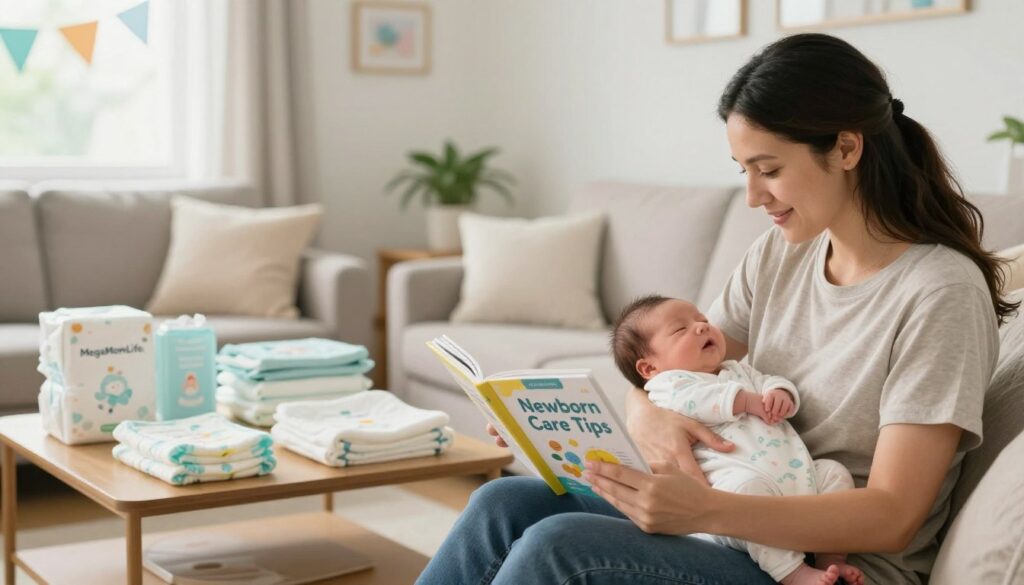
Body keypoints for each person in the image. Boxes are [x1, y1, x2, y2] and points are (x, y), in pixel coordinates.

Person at [415, 32, 1016, 585]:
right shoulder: (781, 255)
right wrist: (642, 417)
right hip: (732, 522)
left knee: (559, 545)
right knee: (504, 503)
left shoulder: (939, 292)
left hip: (827, 565)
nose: (753, 196)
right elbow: (672, 367)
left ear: (847, 148)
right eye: (743, 172)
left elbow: (892, 516)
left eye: (769, 170)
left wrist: (705, 507)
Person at [612, 294, 862, 585]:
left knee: (834, 473)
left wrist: (780, 394)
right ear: (649, 369)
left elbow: (767, 381)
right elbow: (697, 401)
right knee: (747, 491)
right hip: (733, 496)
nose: (702, 327)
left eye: (703, 320)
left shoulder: (737, 369)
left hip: (797, 477)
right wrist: (745, 401)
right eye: (681, 329)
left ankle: (830, 560)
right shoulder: (667, 386)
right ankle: (792, 573)